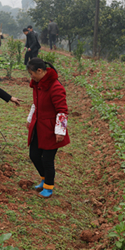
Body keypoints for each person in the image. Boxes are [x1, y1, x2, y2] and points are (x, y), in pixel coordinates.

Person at [26, 58, 70, 198]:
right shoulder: (38, 84)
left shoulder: (56, 87)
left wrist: (60, 131)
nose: (31, 77)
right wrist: (30, 118)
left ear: (40, 71)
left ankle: (48, 187)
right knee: (34, 154)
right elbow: (36, 104)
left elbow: (62, 111)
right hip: (39, 126)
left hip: (51, 129)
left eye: (32, 73)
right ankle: (44, 178)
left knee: (47, 160)